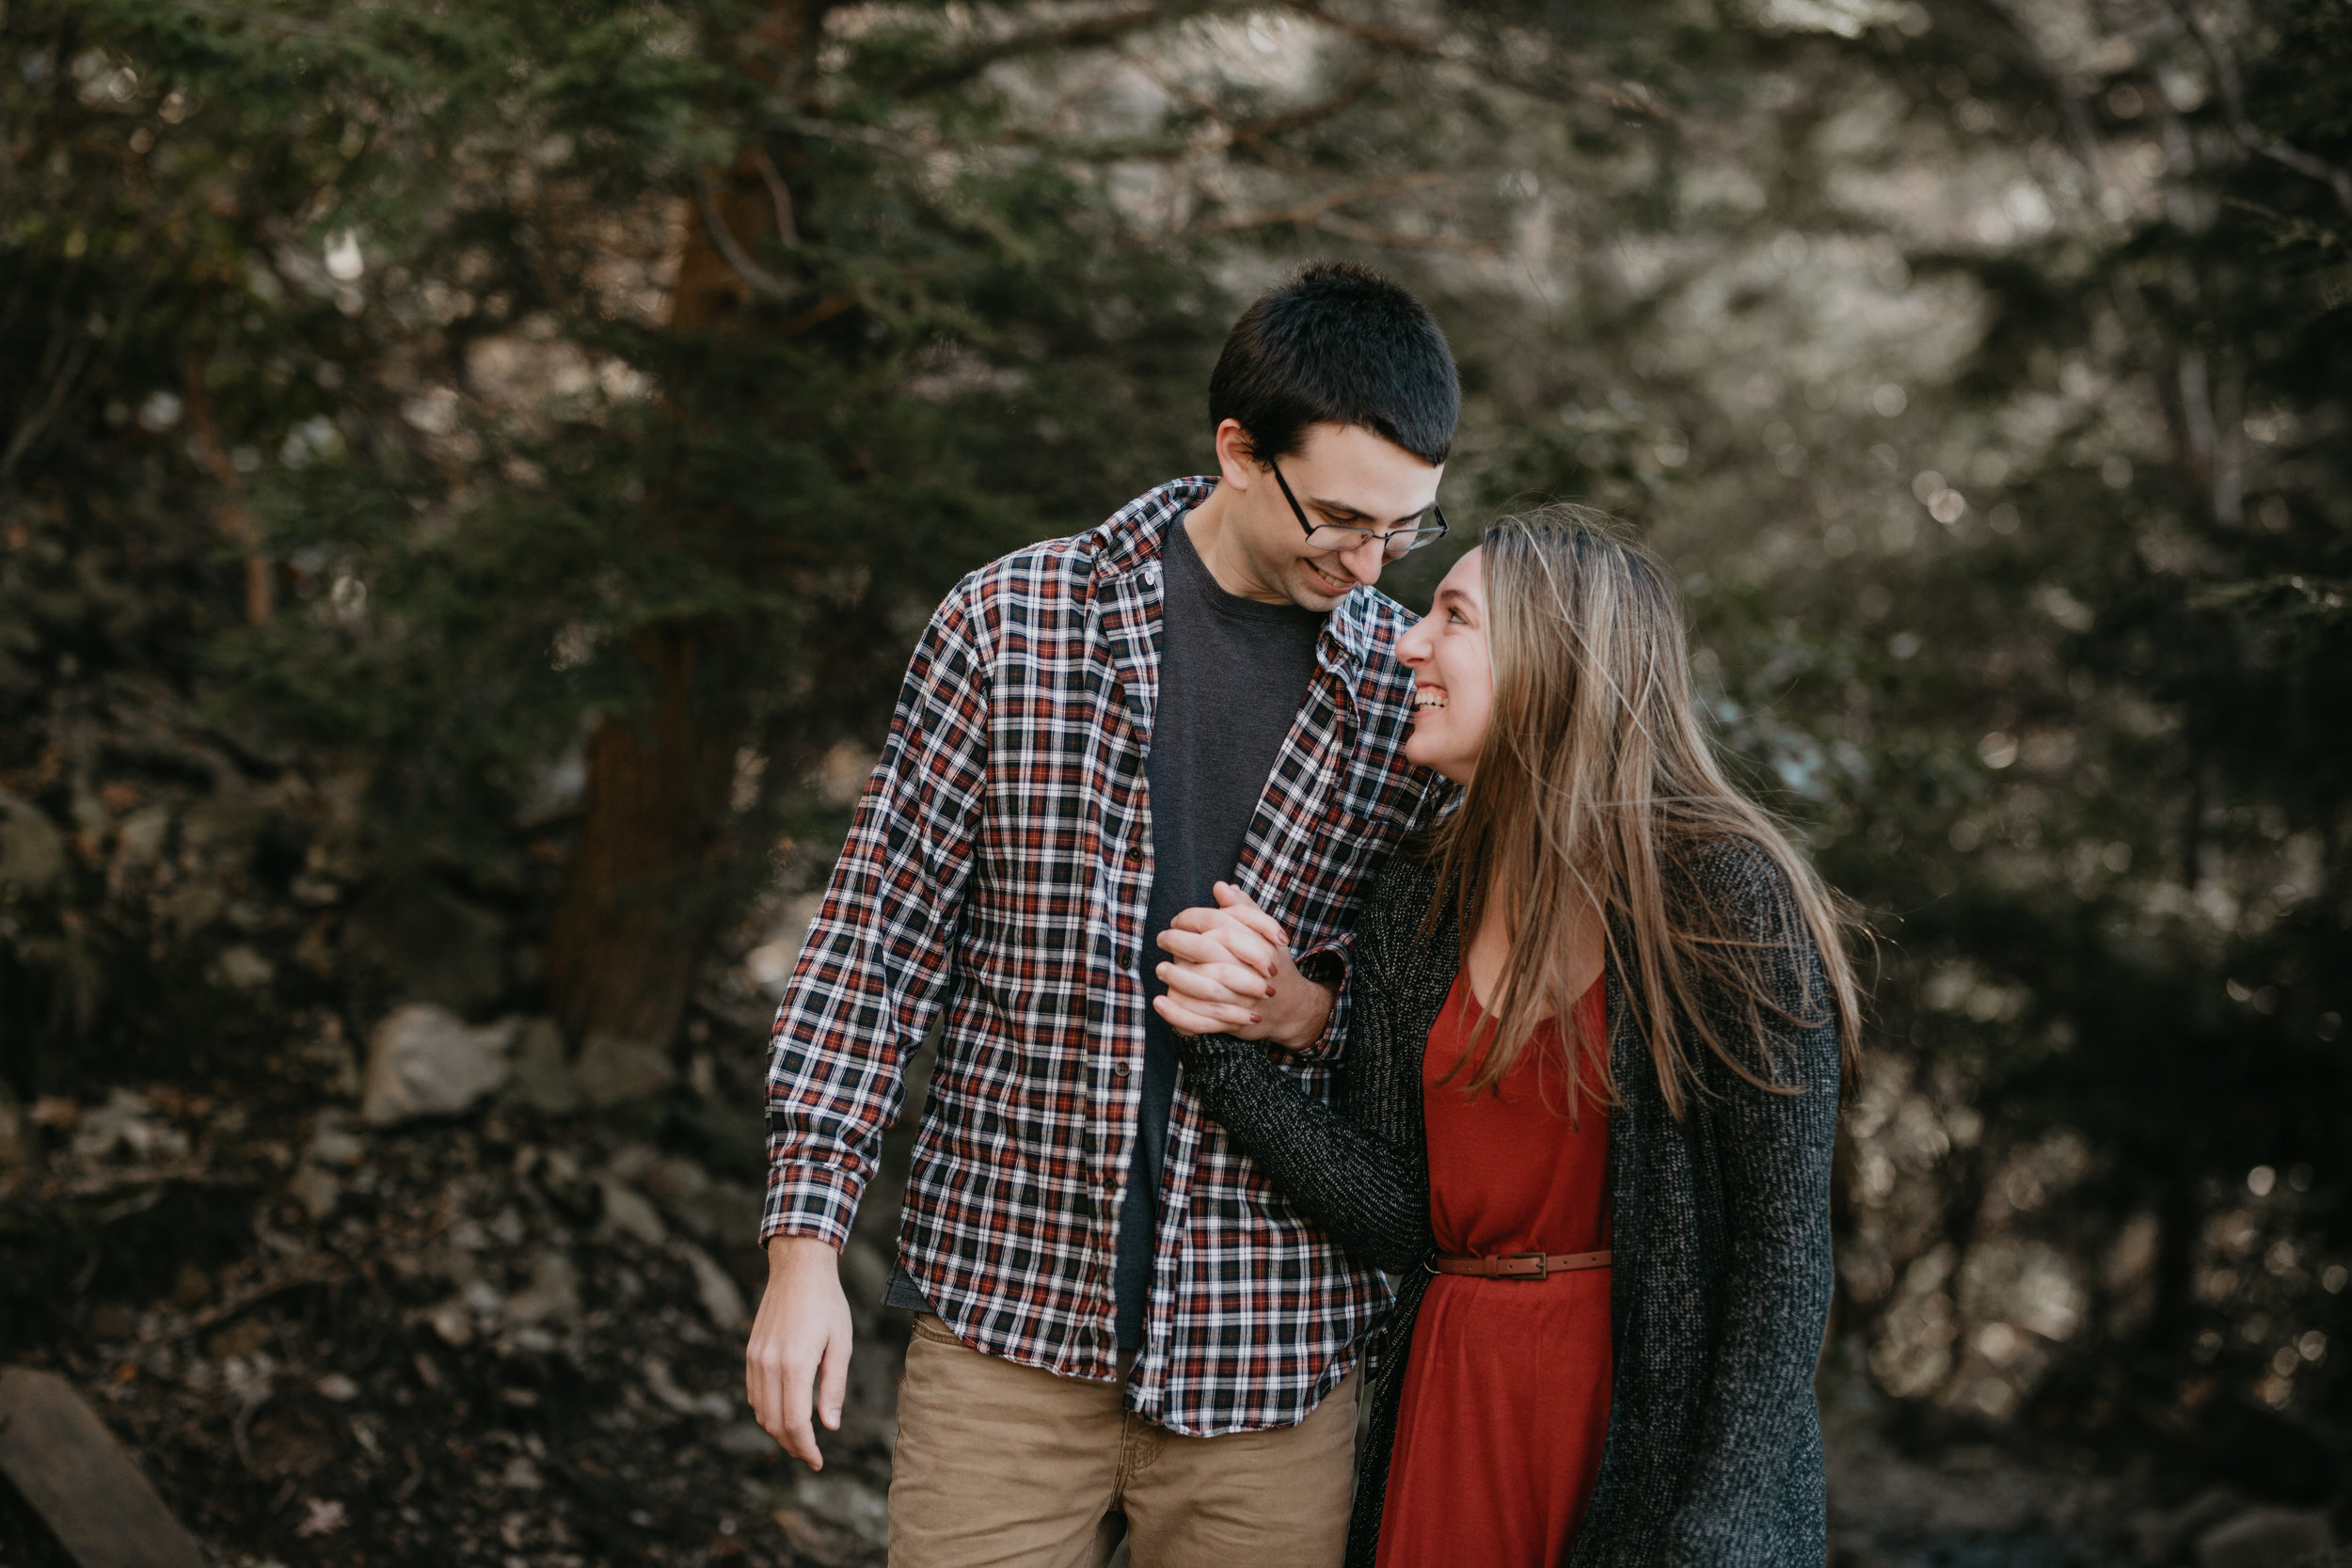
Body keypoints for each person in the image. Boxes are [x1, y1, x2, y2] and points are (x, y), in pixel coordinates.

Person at [745, 261, 1463, 1567]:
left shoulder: (1403, 699)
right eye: (1343, 519)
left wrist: (1309, 1009)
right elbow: (873, 945)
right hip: (1011, 1329)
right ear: (1238, 450)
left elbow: (1441, 1024)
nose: (1370, 565)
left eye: (1404, 530)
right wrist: (804, 1251)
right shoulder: (1012, 624)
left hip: (1277, 1360)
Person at [1152, 506, 1861, 1567]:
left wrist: (1728, 1520)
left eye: (1452, 615)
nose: (1405, 640)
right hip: (1449, 1402)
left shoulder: (1722, 895)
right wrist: (1224, 1047)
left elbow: (1781, 1255)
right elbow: (1398, 1211)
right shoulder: (1413, 897)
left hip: (1637, 1418)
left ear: (1555, 661)